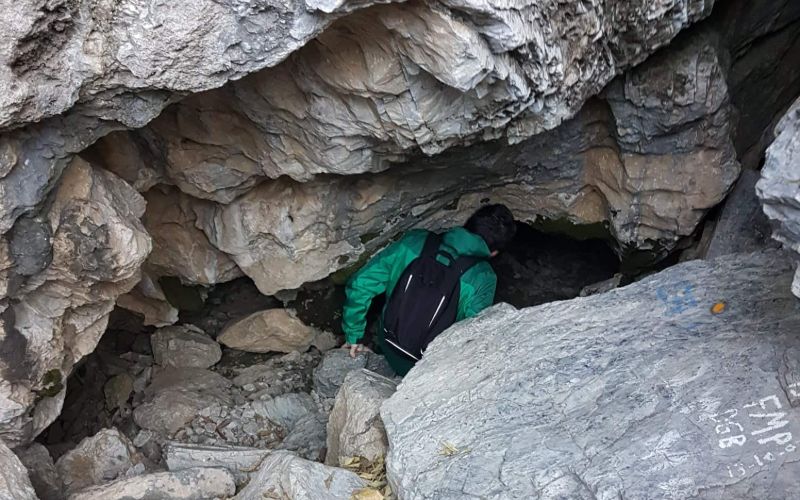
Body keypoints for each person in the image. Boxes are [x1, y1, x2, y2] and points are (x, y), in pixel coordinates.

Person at [341, 204, 517, 375]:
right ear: (494, 253)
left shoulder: (414, 241)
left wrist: (353, 335)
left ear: (466, 224)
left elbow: (361, 283)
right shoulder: (483, 277)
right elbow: (472, 334)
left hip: (388, 344)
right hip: (424, 367)